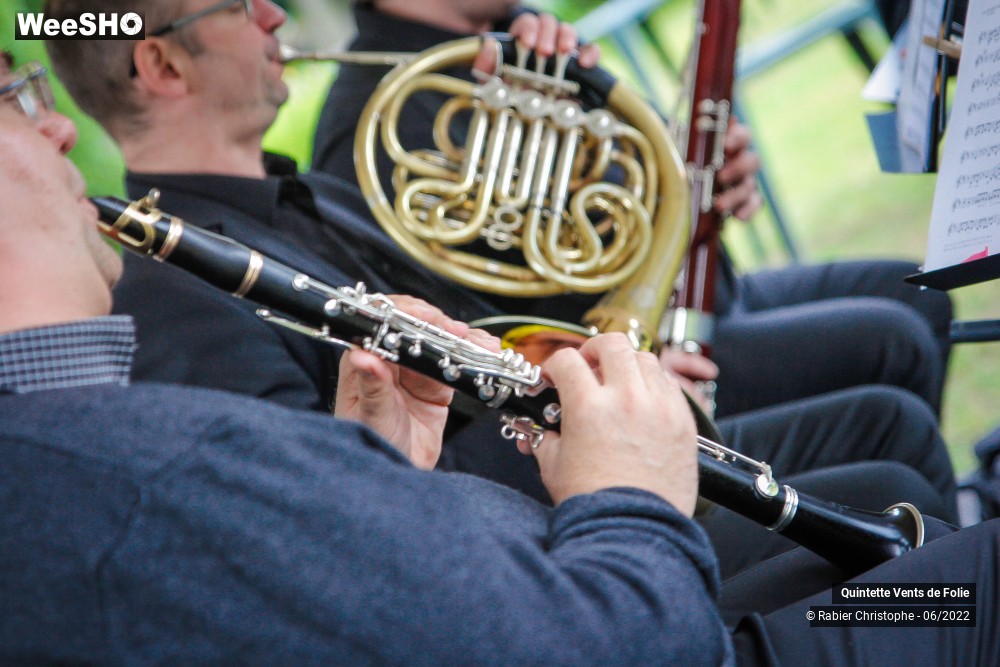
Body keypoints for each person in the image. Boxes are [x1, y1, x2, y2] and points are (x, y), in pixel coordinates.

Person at [1, 53, 998, 666]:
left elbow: (329, 581)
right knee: (954, 556)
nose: (55, 128)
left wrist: (384, 467)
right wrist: (627, 493)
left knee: (916, 526)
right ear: (159, 63)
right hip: (622, 604)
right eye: (10, 96)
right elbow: (623, 643)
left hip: (558, 571)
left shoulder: (108, 444)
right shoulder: (133, 448)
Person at [42, 0, 959, 537]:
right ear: (161, 63)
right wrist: (596, 410)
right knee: (894, 448)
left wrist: (598, 134)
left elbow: (494, 326)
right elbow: (341, 514)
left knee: (895, 408)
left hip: (579, 451)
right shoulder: (180, 293)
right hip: (549, 535)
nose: (275, 14)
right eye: (241, 6)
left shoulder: (312, 197)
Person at [310, 0, 954, 419]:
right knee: (891, 344)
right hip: (627, 362)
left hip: (694, 290)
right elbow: (460, 349)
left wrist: (695, 190)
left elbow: (618, 189)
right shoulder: (366, 129)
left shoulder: (518, 34)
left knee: (919, 293)